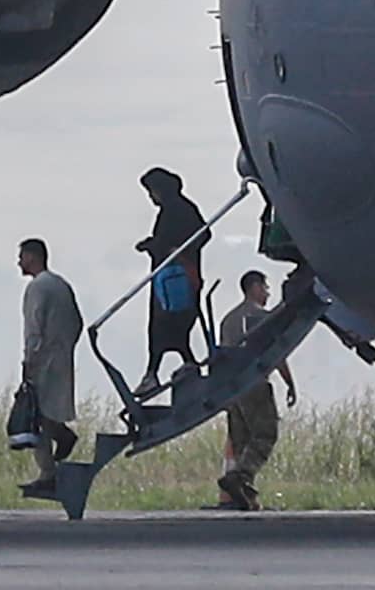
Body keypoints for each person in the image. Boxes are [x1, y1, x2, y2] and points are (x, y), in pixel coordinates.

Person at [217, 270, 297, 510]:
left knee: (242, 443)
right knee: (265, 434)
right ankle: (239, 477)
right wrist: (290, 383)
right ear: (253, 287)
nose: (267, 293)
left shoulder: (228, 319)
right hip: (254, 384)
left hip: (232, 389)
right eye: (264, 287)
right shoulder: (262, 317)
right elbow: (276, 353)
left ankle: (245, 498)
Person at [133, 168, 211, 397]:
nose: (151, 197)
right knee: (169, 326)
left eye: (152, 191)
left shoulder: (179, 210)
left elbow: (201, 235)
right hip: (169, 281)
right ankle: (175, 365)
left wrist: (174, 250)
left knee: (165, 323)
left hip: (177, 281)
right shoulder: (172, 211)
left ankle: (153, 373)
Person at [17, 238, 84, 492]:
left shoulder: (37, 287)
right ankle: (58, 448)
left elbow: (34, 327)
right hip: (62, 356)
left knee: (36, 415)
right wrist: (65, 346)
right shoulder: (61, 285)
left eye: (22, 256)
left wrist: (29, 359)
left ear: (33, 257)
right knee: (49, 411)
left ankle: (48, 471)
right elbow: (77, 322)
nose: (19, 262)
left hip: (43, 359)